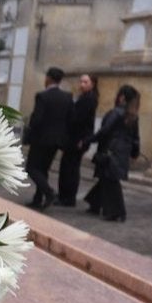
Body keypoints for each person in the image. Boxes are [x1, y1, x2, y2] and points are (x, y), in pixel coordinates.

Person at [83, 84, 141, 222]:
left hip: (110, 151)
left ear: (121, 97)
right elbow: (135, 138)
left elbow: (104, 131)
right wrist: (134, 153)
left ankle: (117, 212)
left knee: (111, 181)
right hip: (121, 153)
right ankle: (95, 203)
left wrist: (88, 140)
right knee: (107, 179)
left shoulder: (115, 113)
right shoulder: (133, 116)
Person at [21, 66, 73, 210]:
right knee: (43, 169)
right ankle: (38, 198)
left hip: (41, 139)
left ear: (48, 78)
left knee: (32, 167)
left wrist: (29, 134)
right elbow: (70, 119)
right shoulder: (67, 97)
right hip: (56, 140)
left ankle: (48, 192)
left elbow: (36, 120)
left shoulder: (42, 96)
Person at [57, 73, 98, 206]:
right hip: (76, 139)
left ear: (92, 84)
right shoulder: (86, 97)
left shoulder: (89, 99)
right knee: (68, 167)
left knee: (70, 168)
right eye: (81, 82)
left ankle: (67, 197)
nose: (82, 85)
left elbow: (79, 120)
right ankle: (65, 195)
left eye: (85, 82)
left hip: (77, 140)